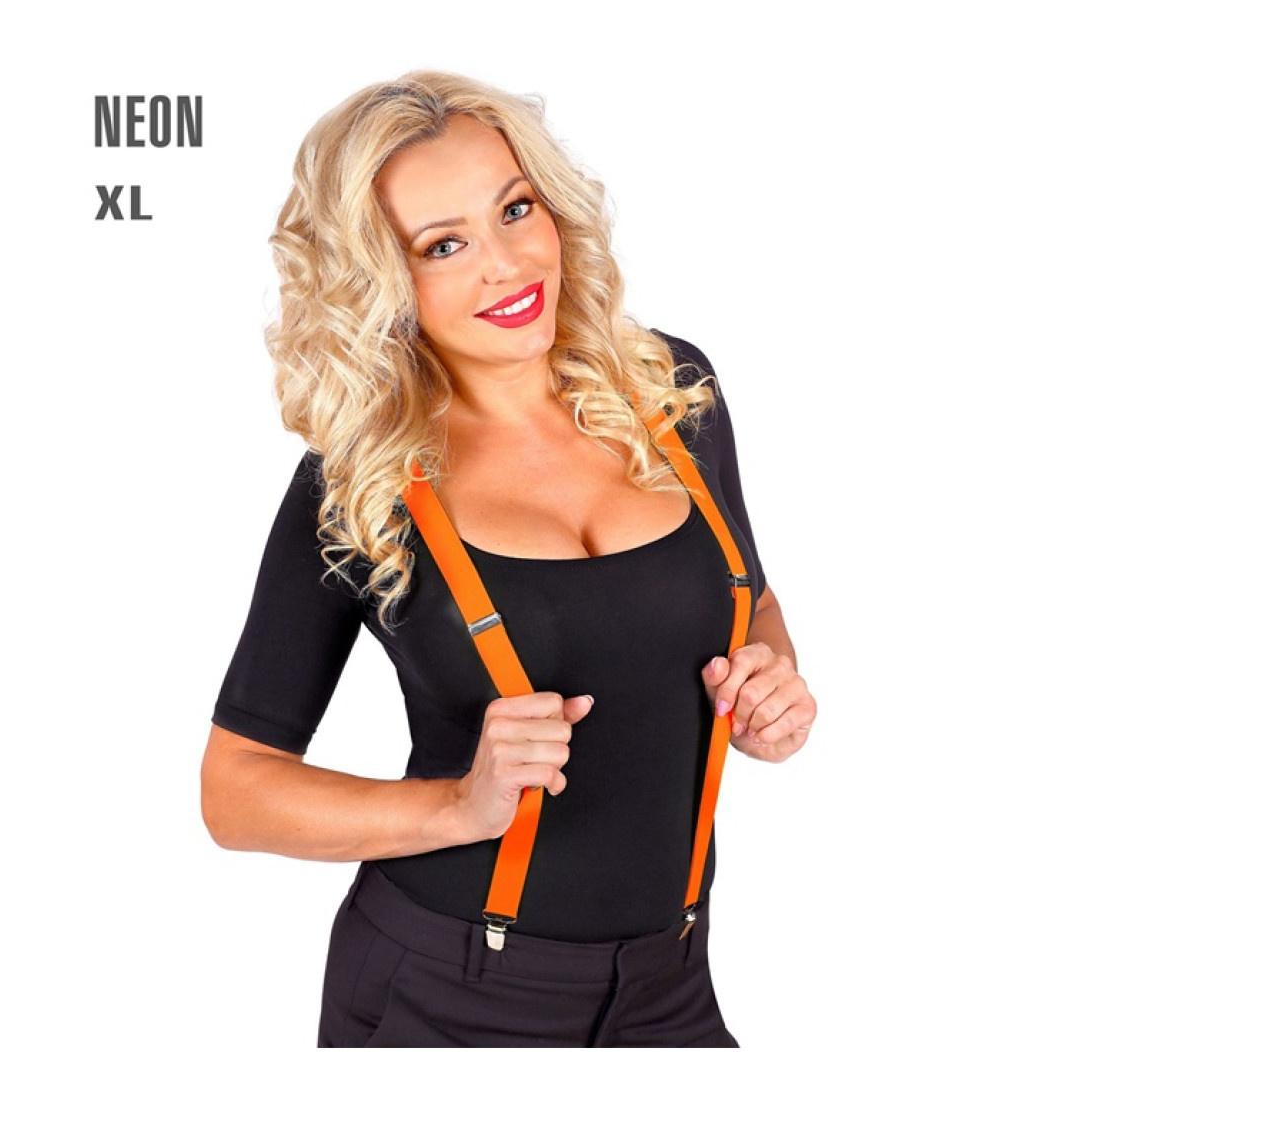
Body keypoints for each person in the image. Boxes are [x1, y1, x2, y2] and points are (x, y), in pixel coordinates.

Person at [200, 70, 817, 1047]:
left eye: (515, 209)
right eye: (443, 245)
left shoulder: (667, 388)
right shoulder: (361, 480)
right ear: (382, 280)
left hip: (671, 984)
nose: (506, 263)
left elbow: (752, 597)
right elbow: (235, 791)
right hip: (447, 995)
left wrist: (769, 683)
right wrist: (456, 805)